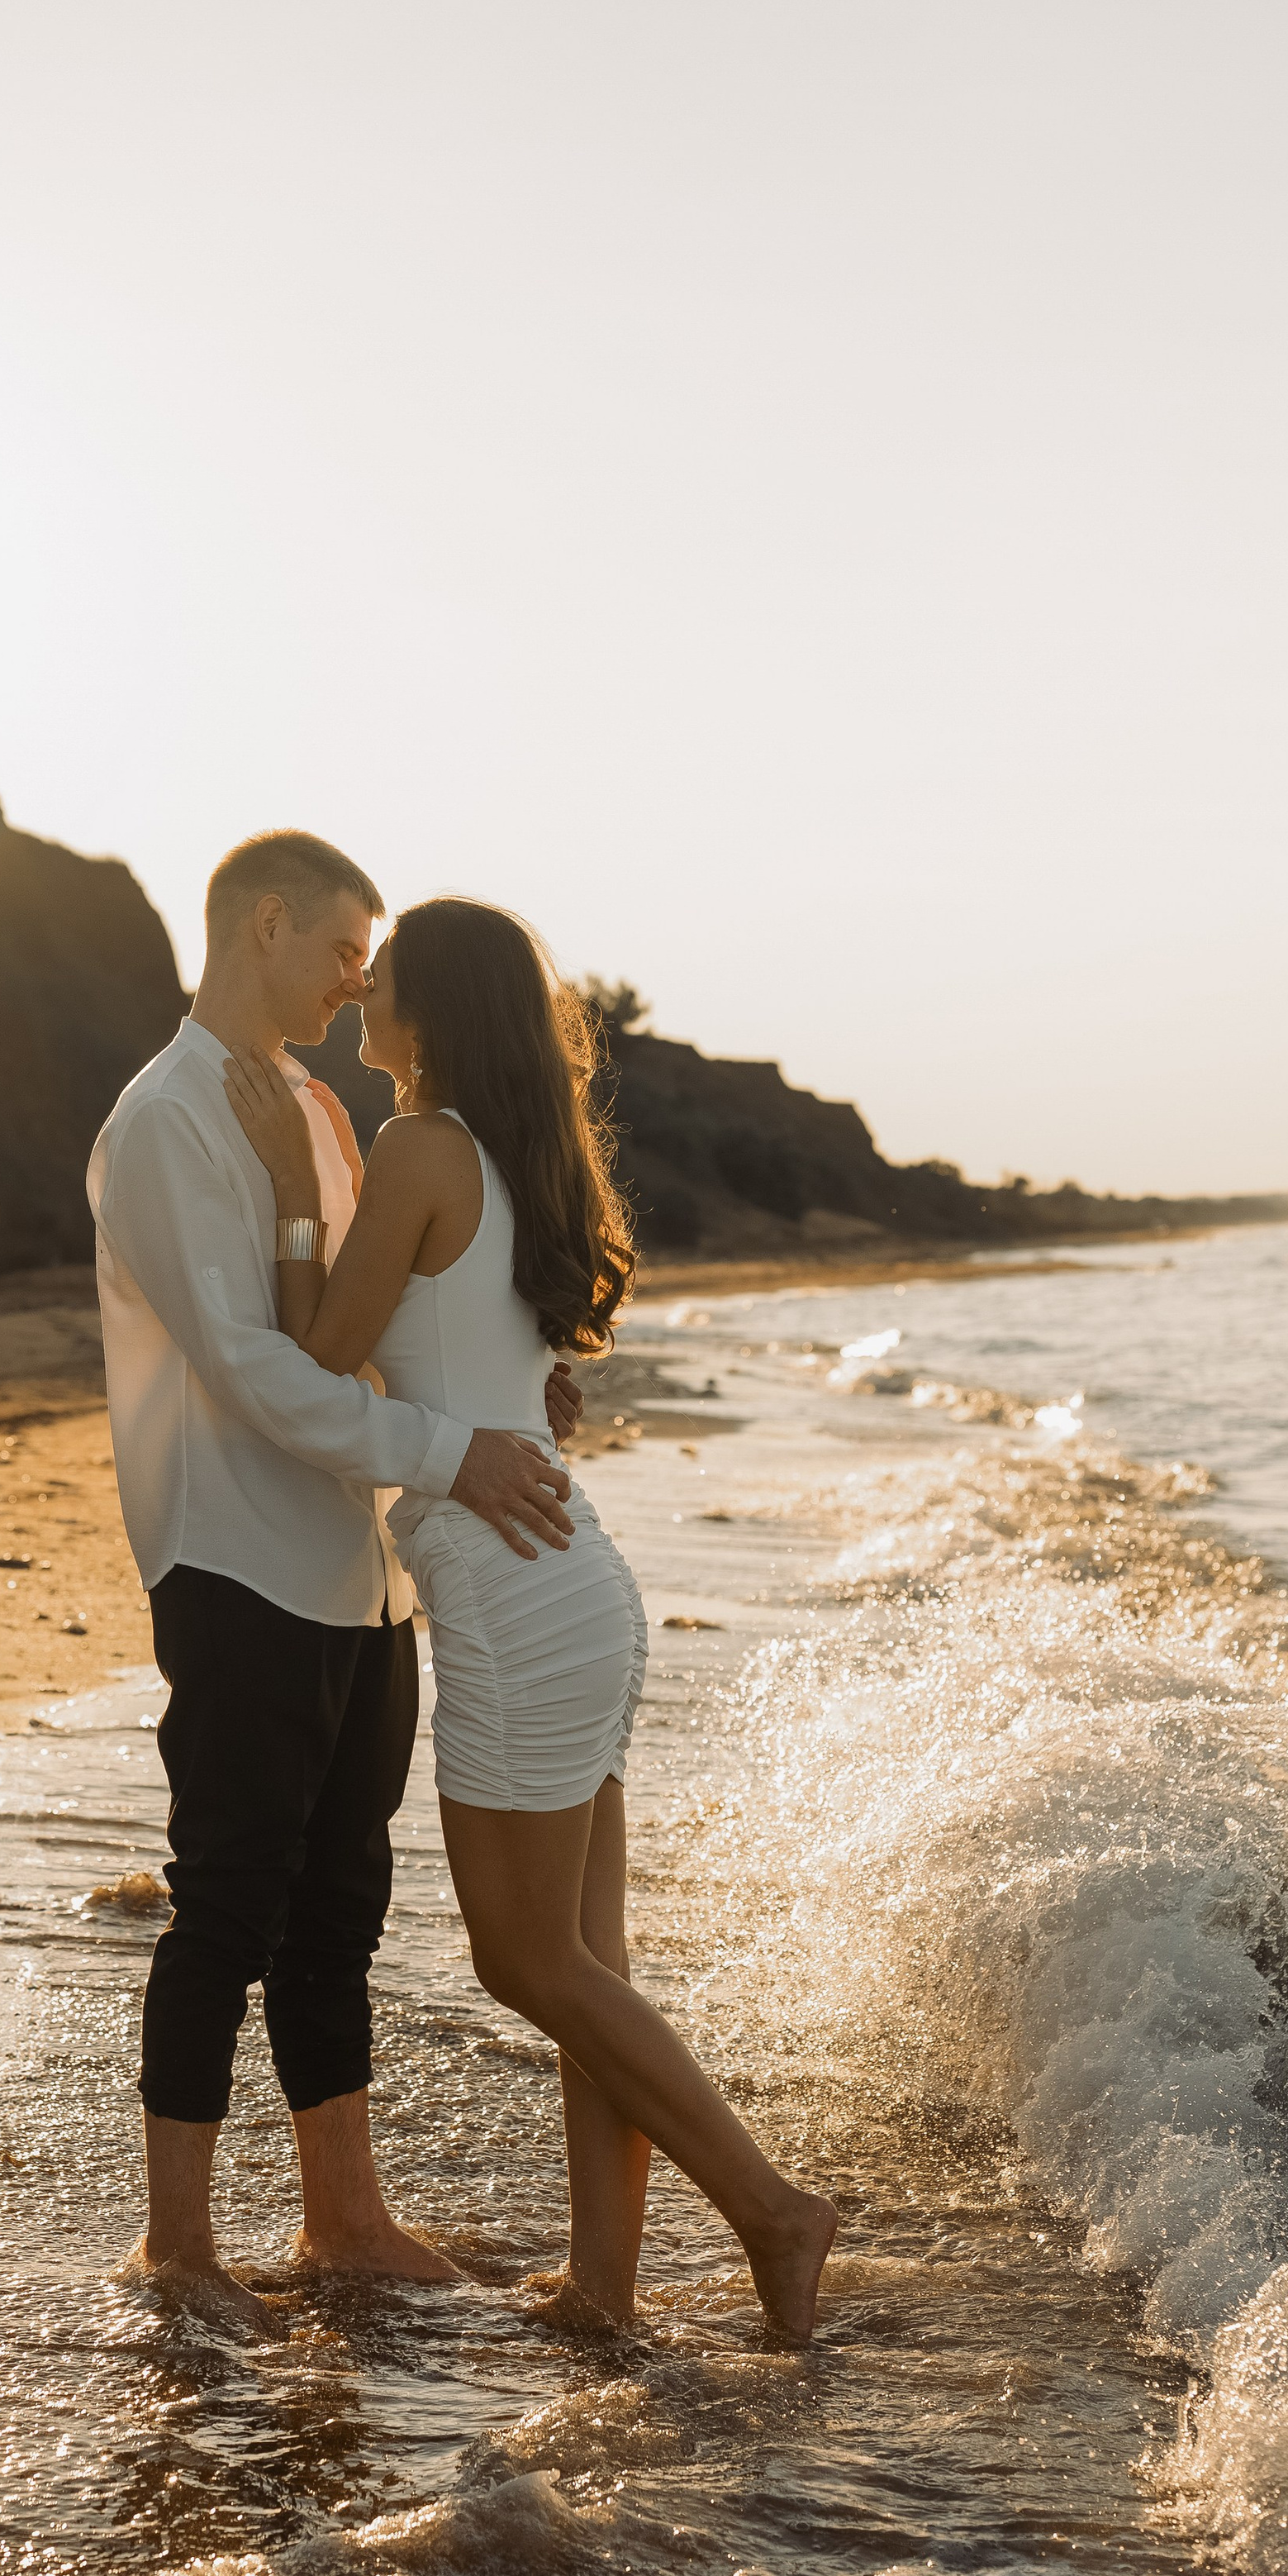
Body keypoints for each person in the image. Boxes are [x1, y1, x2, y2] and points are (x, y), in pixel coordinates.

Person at [220, 897, 838, 2340]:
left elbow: (321, 1356)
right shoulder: (523, 1160)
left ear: (431, 1012)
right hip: (577, 1578)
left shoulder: (422, 1148)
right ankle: (607, 2295)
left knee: (527, 1961)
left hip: (511, 1588)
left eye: (384, 983)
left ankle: (771, 2208)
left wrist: (288, 1193)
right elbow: (504, 1377)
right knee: (584, 1970)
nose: (361, 996)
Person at [87, 831, 585, 2328]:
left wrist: (511, 1394)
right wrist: (453, 1454)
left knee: (342, 1907)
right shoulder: (163, 1123)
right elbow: (250, 1375)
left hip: (359, 1572)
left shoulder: (313, 1106)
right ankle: (177, 2246)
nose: (357, 985)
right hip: (236, 1556)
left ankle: (342, 2217)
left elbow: (371, 1318)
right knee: (227, 1904)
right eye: (344, 954)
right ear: (269, 923)